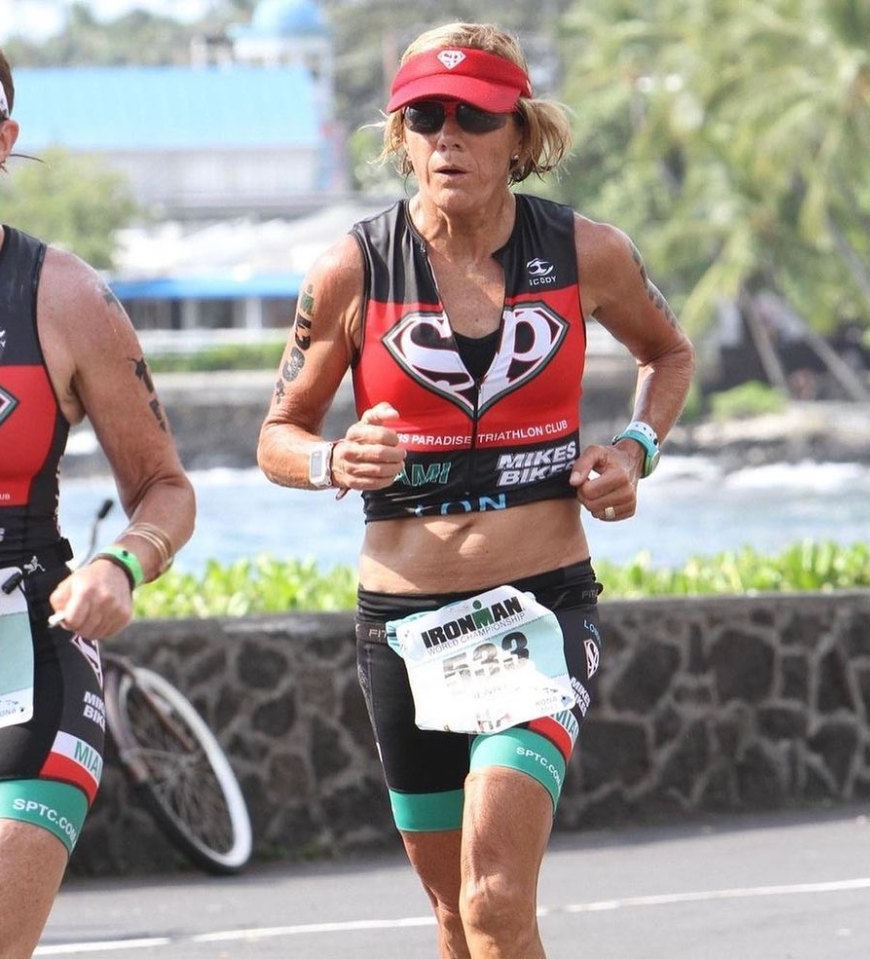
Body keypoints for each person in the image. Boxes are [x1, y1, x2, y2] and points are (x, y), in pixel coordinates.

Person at [258, 20, 694, 959]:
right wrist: (333, 460)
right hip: (404, 623)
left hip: (537, 610)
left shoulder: (588, 253)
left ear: (520, 137)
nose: (447, 137)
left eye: (474, 117)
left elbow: (668, 352)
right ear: (400, 135)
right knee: (455, 912)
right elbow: (276, 437)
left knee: (495, 898)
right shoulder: (351, 268)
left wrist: (633, 448)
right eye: (424, 116)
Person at [0, 25, 195, 958]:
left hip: (18, 671)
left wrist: (127, 561)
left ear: (1, 137)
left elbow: (163, 485)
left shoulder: (64, 296)